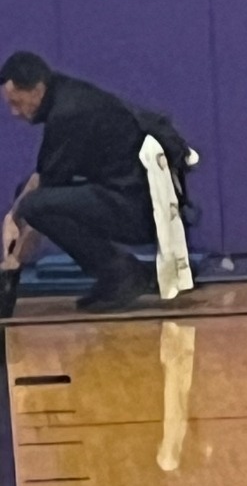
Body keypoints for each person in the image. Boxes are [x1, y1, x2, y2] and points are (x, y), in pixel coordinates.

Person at [1, 51, 155, 311]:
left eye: (17, 103)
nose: (14, 113)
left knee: (35, 205)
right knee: (27, 196)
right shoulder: (65, 95)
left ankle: (123, 273)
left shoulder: (69, 113)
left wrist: (13, 261)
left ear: (37, 89)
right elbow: (40, 179)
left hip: (139, 209)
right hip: (124, 195)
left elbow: (41, 195)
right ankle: (115, 273)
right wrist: (11, 219)